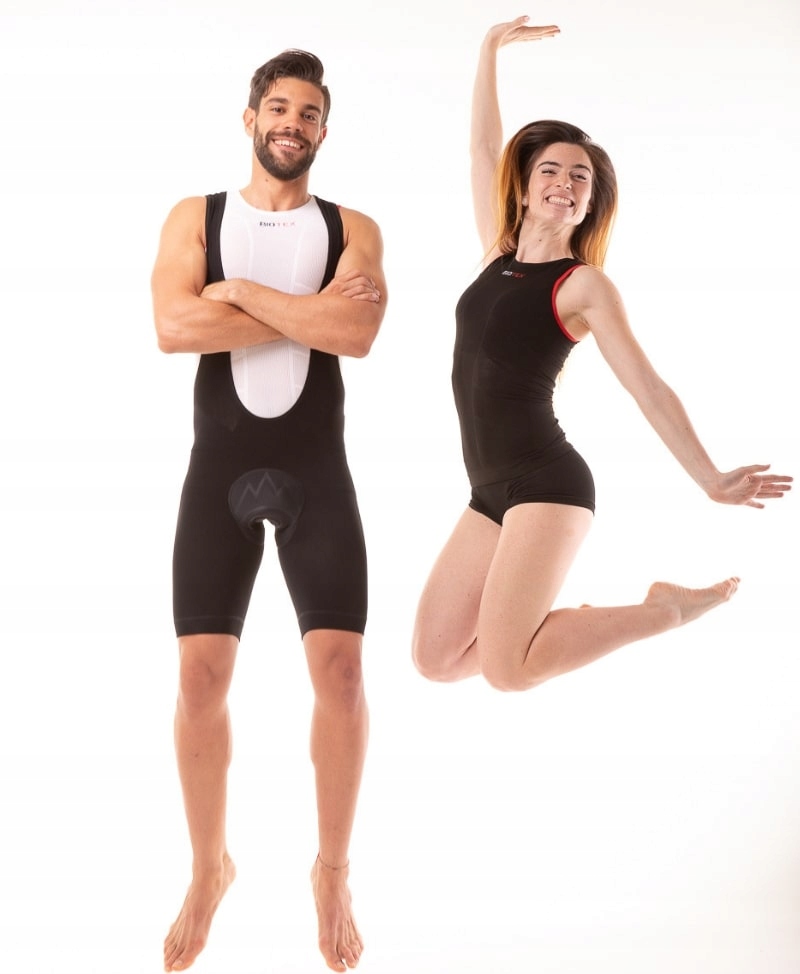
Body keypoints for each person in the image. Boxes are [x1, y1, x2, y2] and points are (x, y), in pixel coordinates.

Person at [412, 17, 792, 692]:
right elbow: (482, 151)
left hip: (546, 483)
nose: (564, 182)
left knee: (507, 671)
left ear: (589, 204)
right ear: (523, 186)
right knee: (436, 659)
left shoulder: (582, 286)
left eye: (580, 177)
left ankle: (662, 610)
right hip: (487, 490)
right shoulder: (498, 255)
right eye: (550, 169)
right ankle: (560, 628)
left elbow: (648, 387)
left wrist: (708, 478)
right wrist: (488, 50)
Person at [151, 49, 386, 973]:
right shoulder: (195, 216)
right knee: (199, 681)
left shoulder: (353, 227)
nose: (293, 123)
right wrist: (308, 310)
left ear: (324, 130)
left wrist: (241, 291)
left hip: (316, 470)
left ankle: (333, 872)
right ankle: (209, 867)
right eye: (279, 107)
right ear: (251, 118)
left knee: (343, 676)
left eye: (310, 112)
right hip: (219, 469)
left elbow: (356, 333)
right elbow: (173, 327)